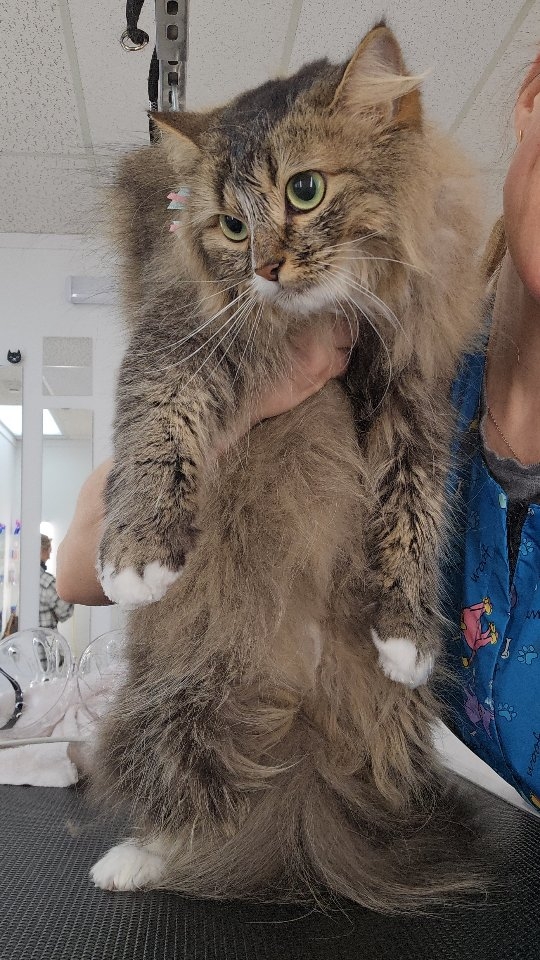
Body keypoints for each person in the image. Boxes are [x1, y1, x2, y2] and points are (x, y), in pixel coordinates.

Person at [57, 52, 540, 808]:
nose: (272, 261)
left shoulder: (413, 358)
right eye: (240, 226)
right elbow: (78, 566)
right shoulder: (426, 361)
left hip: (403, 801)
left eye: (305, 192)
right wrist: (257, 400)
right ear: (532, 99)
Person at [40, 534, 74, 630]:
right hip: (46, 638)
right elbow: (66, 612)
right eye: (49, 551)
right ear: (42, 550)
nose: (49, 557)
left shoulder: (23, 578)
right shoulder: (48, 583)